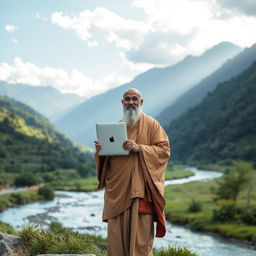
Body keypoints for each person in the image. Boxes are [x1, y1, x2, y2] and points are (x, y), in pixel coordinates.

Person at [94, 88, 170, 256]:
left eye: (134, 99)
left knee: (140, 245)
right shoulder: (115, 128)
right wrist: (101, 151)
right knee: (116, 244)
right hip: (117, 193)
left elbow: (164, 151)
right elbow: (108, 159)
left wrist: (140, 148)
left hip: (140, 193)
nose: (131, 102)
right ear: (122, 103)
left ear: (141, 102)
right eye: (127, 99)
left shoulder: (152, 125)